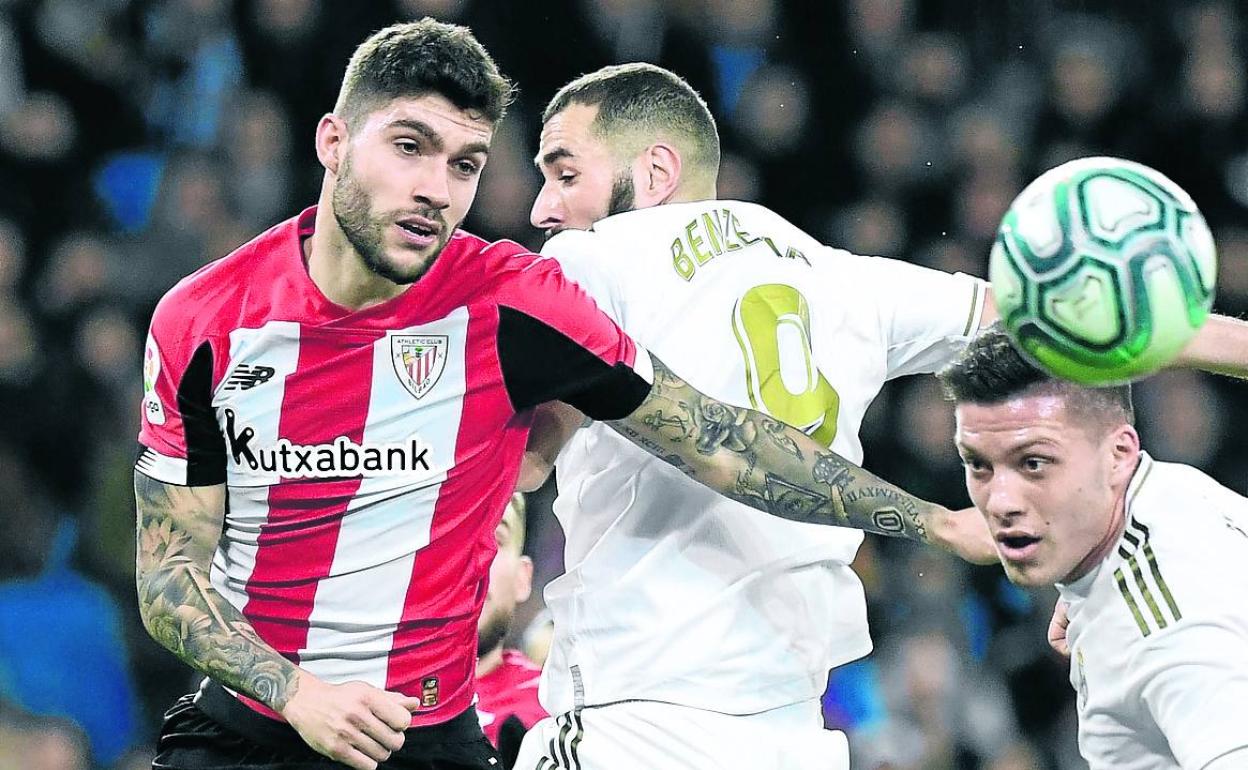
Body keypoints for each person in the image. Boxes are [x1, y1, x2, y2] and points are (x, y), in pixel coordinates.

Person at [133, 20, 983, 770]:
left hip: (432, 739)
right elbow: (169, 574)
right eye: (408, 147)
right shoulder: (206, 318)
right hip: (252, 726)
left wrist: (929, 520)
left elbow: (721, 441)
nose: (438, 187)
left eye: (465, 163)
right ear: (331, 140)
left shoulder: (514, 304)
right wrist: (300, 694)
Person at [514, 63, 1248, 770]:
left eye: (565, 173)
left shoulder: (588, 260)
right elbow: (1086, 325)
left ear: (656, 172)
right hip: (795, 730)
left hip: (633, 716)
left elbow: (522, 460)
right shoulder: (839, 275)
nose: (542, 207)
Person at [939, 326, 1248, 770]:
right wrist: (1087, 593)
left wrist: (1123, 614)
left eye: (1033, 463)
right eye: (979, 465)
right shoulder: (1164, 492)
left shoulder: (1164, 638)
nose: (1000, 502)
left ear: (1119, 453)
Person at [475, 495, 545, 768]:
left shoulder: (553, 710)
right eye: (455, 537)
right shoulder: (356, 697)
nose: (475, 560)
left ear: (522, 577)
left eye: (494, 539)